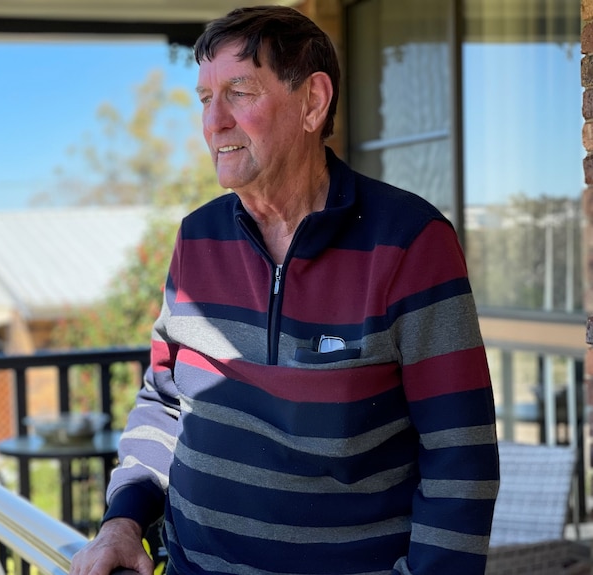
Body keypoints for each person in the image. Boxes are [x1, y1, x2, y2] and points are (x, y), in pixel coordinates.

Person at [70, 6, 499, 575]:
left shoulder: (411, 243)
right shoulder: (196, 238)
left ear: (313, 103)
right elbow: (165, 401)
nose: (213, 121)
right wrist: (122, 522)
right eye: (205, 98)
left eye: (239, 93)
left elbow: (460, 459)